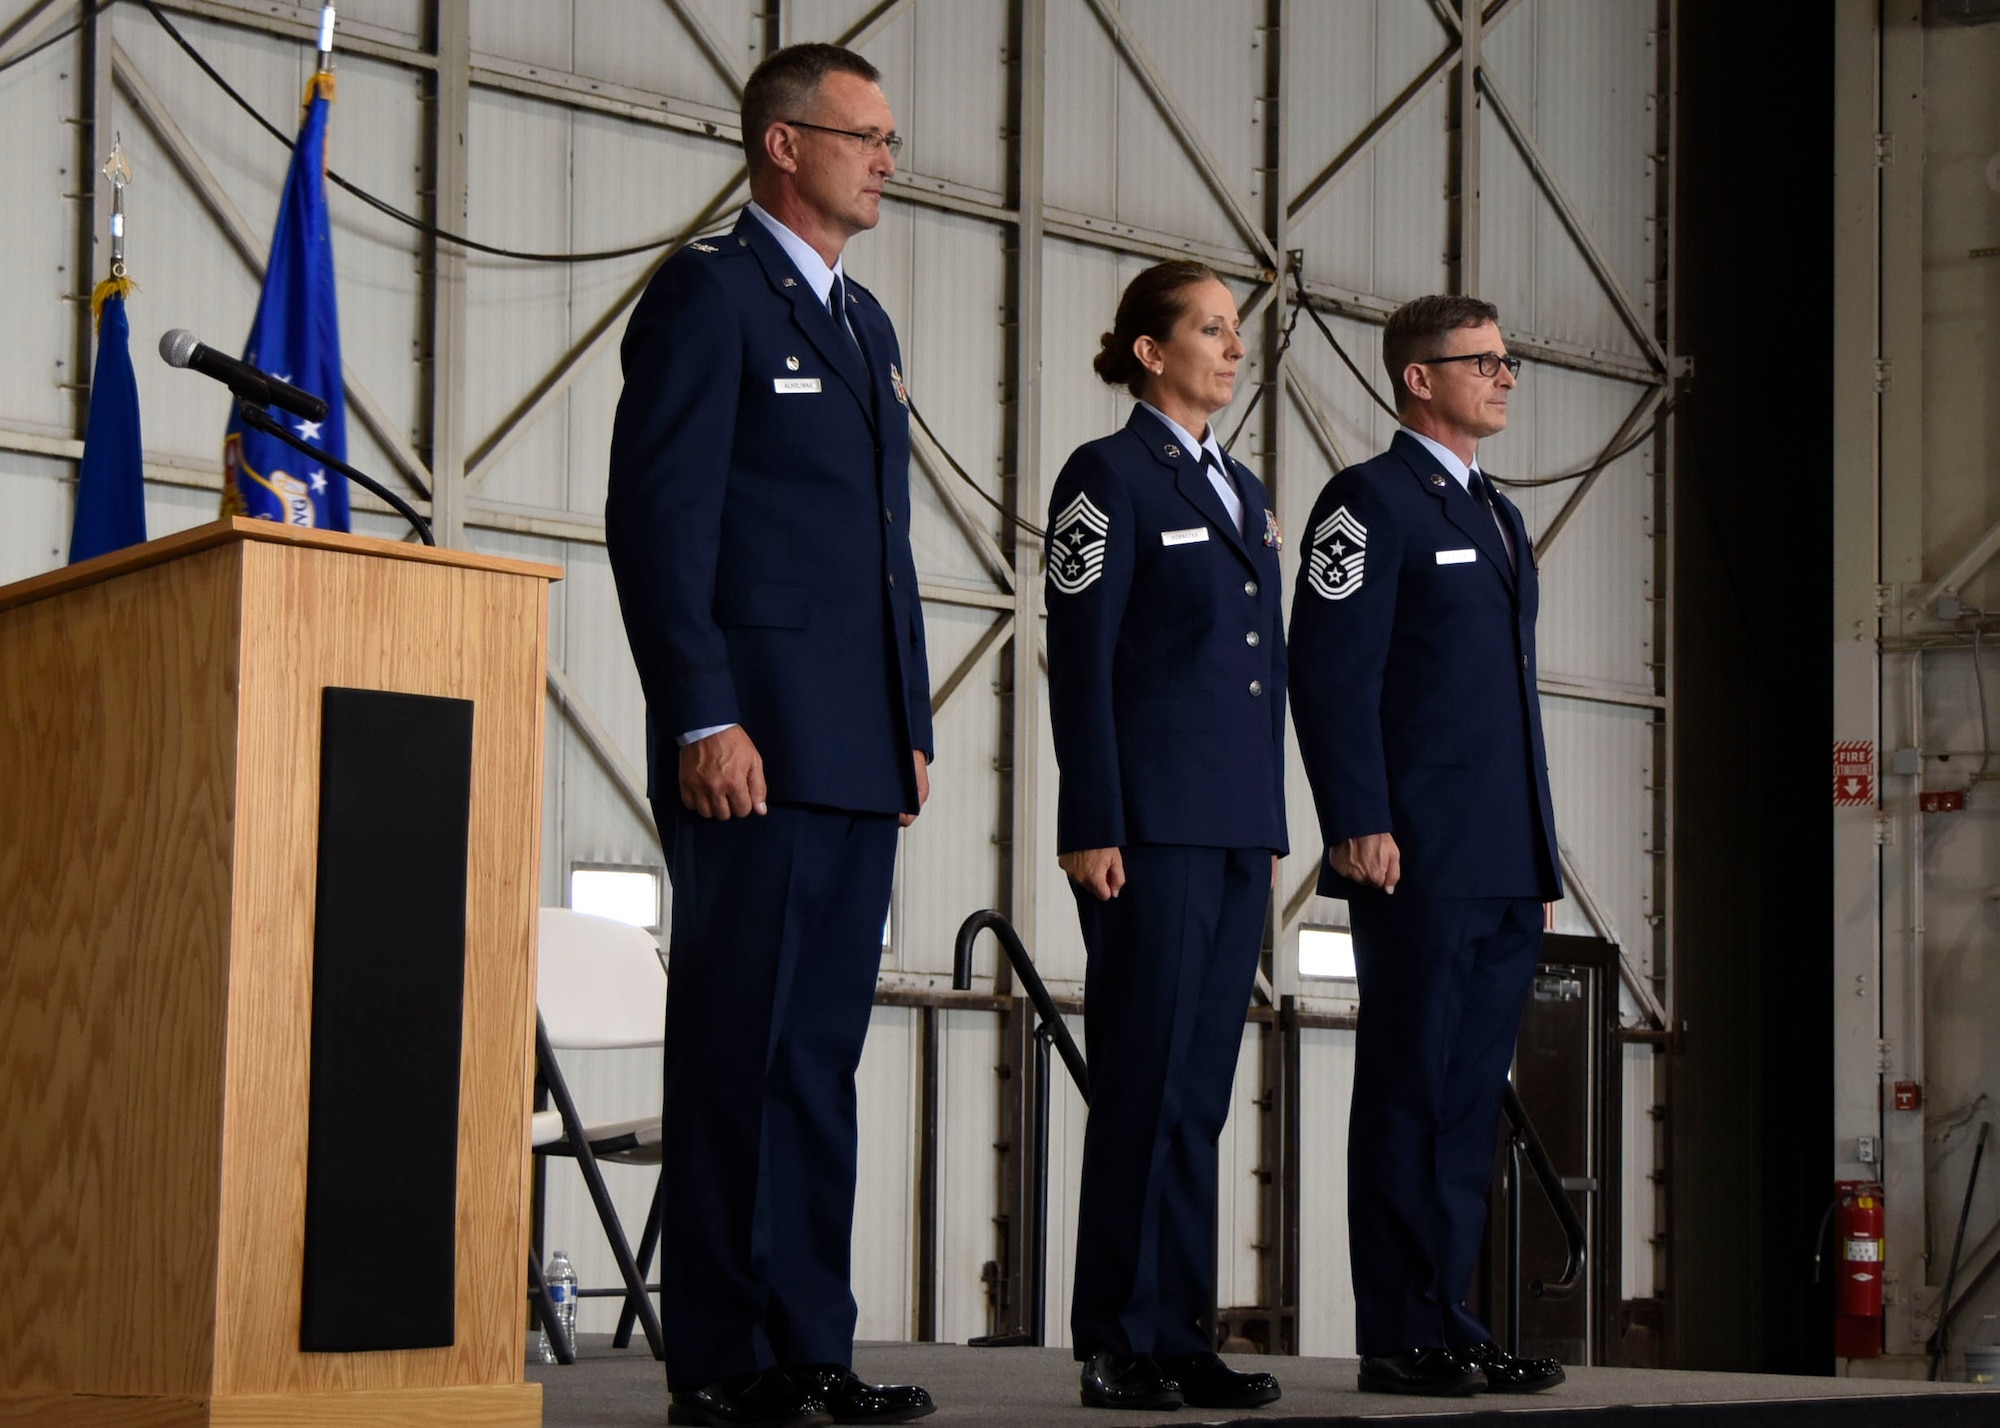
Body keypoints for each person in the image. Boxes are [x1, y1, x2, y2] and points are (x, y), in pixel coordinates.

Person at [605, 42, 935, 1428]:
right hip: (750, 743)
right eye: (864, 135)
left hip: (856, 748)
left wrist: (909, 716)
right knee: (739, 1045)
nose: (887, 159)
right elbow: (658, 522)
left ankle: (812, 1340)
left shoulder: (864, 327)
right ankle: (727, 1357)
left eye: (890, 138)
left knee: (818, 1057)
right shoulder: (708, 295)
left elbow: (884, 549)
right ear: (784, 145)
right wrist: (704, 709)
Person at [1287, 295, 1566, 1398]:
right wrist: (1356, 817)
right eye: (1481, 361)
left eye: (1508, 359)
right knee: (1407, 1089)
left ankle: (1450, 1317)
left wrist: (1537, 858)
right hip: (1414, 855)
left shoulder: (1496, 513)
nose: (1502, 377)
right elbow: (1327, 669)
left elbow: (1509, 703)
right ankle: (1399, 1333)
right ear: (1417, 378)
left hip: (1499, 861)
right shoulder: (1365, 503)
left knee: (1464, 1099)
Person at [1043, 260, 1288, 1413]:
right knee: (1141, 1080)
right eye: (1209, 328)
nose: (1231, 349)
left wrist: (1266, 824)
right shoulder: (1107, 476)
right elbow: (1081, 660)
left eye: (1235, 332)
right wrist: (1089, 818)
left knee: (1198, 1090)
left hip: (1232, 829)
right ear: (1150, 350)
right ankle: (1118, 1337)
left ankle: (1180, 1332)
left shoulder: (1238, 487)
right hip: (1145, 832)